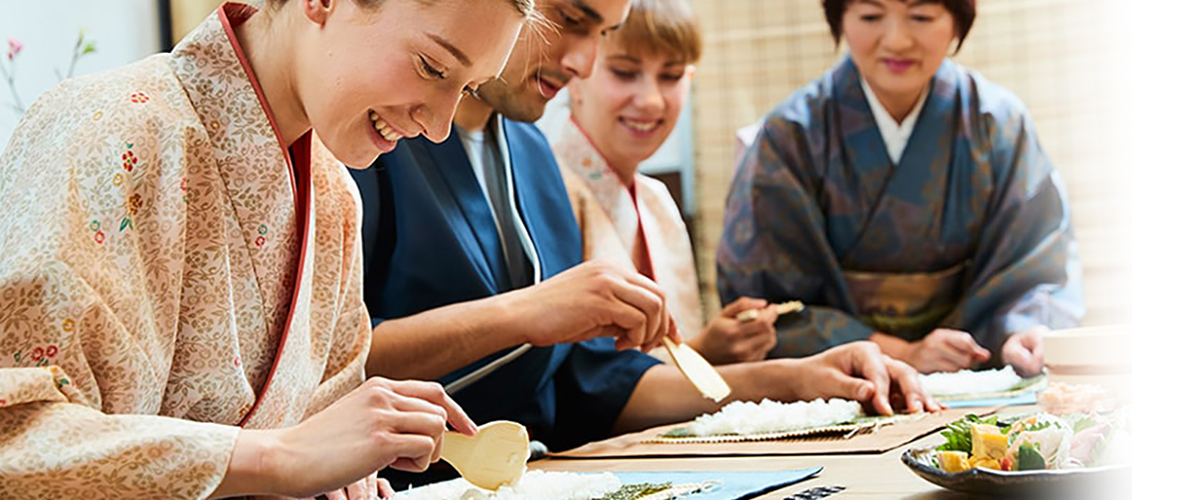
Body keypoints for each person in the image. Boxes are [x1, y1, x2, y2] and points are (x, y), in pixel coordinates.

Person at [352, 0, 941, 470]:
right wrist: (524, 313)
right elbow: (330, 362)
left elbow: (593, 387)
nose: (583, 61)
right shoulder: (373, 134)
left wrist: (797, 378)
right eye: (570, 18)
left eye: (603, 34)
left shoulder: (530, 154)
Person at [0, 0, 531, 498]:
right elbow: (14, 438)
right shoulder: (107, 129)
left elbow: (326, 437)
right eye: (432, 68)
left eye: (467, 89)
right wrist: (280, 456)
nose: (438, 128)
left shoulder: (333, 196)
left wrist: (349, 469)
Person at [717, 0, 1084, 376]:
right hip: (839, 380)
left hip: (972, 369)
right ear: (840, 18)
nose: (896, 41)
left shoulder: (998, 125)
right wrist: (901, 353)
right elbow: (766, 303)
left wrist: (1022, 333)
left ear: (957, 22)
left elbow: (1038, 261)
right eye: (871, 16)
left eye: (921, 16)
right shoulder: (791, 135)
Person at [552, 0, 785, 366]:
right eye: (624, 72)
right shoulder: (548, 190)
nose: (650, 101)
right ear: (575, 75)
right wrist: (701, 352)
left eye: (671, 76)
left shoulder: (656, 200)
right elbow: (577, 376)